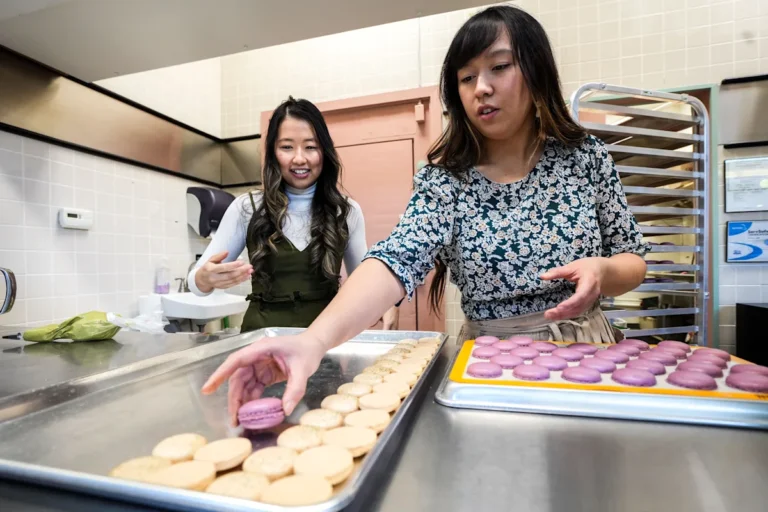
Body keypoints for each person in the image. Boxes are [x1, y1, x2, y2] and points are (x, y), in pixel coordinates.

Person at [202, 6, 648, 418]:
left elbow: (633, 259)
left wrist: (604, 271)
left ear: (536, 69)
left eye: (499, 67)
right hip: (490, 363)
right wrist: (313, 341)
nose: (482, 88)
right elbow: (396, 258)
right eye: (466, 77)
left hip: (587, 353)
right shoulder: (446, 178)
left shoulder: (583, 157)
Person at [188, 97, 399, 334]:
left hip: (325, 343)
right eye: (287, 147)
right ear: (273, 152)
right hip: (261, 345)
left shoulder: (346, 211)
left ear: (324, 151)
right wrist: (204, 280)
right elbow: (195, 280)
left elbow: (363, 282)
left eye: (310, 147)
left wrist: (384, 301)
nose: (299, 158)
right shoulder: (246, 208)